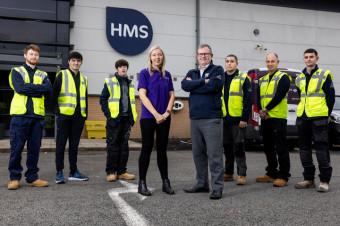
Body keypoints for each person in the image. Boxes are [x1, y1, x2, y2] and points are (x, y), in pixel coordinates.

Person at [182, 44, 225, 200]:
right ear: (197, 56)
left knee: (215, 155)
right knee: (198, 154)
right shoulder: (191, 72)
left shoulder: (218, 70)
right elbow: (184, 86)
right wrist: (203, 81)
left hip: (212, 118)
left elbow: (214, 86)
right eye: (201, 54)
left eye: (206, 54)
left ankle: (217, 188)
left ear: (211, 55)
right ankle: (202, 184)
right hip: (195, 119)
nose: (203, 56)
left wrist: (196, 84)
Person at [8, 44, 52, 190]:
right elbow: (20, 88)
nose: (34, 57)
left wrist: (30, 88)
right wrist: (38, 90)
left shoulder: (43, 74)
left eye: (36, 55)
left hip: (37, 117)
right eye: (31, 54)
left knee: (34, 149)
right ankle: (14, 178)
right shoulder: (16, 71)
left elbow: (48, 90)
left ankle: (32, 178)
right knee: (17, 148)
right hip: (20, 116)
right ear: (25, 55)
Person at [294, 48, 335, 192]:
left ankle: (324, 181)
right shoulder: (299, 78)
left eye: (311, 57)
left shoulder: (324, 75)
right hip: (303, 117)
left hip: (319, 118)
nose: (309, 59)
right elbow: (301, 96)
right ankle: (308, 179)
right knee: (304, 150)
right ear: (303, 59)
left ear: (316, 58)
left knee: (321, 150)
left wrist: (325, 114)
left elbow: (330, 98)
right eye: (306, 57)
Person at [137, 46, 175, 196]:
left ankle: (166, 183)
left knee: (162, 150)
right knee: (146, 149)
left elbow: (172, 95)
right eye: (154, 55)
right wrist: (156, 114)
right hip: (148, 118)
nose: (157, 57)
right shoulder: (144, 73)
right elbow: (142, 95)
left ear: (162, 57)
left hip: (165, 118)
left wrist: (166, 113)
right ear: (150, 57)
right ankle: (142, 184)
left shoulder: (167, 75)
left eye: (159, 55)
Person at [52, 52, 89, 184]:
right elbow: (54, 95)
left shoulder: (84, 79)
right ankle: (59, 172)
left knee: (74, 146)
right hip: (64, 115)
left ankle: (73, 171)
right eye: (73, 60)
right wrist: (58, 112)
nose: (76, 63)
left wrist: (85, 115)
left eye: (78, 61)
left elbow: (85, 97)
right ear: (68, 62)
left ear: (81, 63)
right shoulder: (62, 75)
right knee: (61, 145)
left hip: (79, 116)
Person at [255, 53, 291, 187]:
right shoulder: (263, 79)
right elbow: (258, 97)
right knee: (268, 147)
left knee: (281, 148)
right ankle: (271, 173)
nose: (270, 64)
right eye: (268, 61)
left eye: (272, 61)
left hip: (277, 117)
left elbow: (279, 96)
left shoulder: (283, 77)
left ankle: (284, 175)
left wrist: (266, 109)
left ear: (278, 62)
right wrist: (261, 111)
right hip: (265, 118)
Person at [100, 59, 138, 182]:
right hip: (115, 120)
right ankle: (110, 172)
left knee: (124, 147)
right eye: (121, 66)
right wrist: (109, 116)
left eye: (125, 66)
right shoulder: (110, 82)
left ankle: (122, 171)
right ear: (117, 68)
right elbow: (103, 100)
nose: (123, 68)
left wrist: (132, 118)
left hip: (127, 120)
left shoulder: (130, 83)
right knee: (113, 146)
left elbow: (131, 102)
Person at [222, 54, 252, 185]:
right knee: (227, 148)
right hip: (224, 119)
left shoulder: (244, 78)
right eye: (227, 61)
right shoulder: (220, 78)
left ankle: (242, 174)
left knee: (238, 148)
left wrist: (244, 118)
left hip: (238, 120)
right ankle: (228, 173)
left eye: (232, 61)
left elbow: (248, 100)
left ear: (237, 64)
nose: (229, 63)